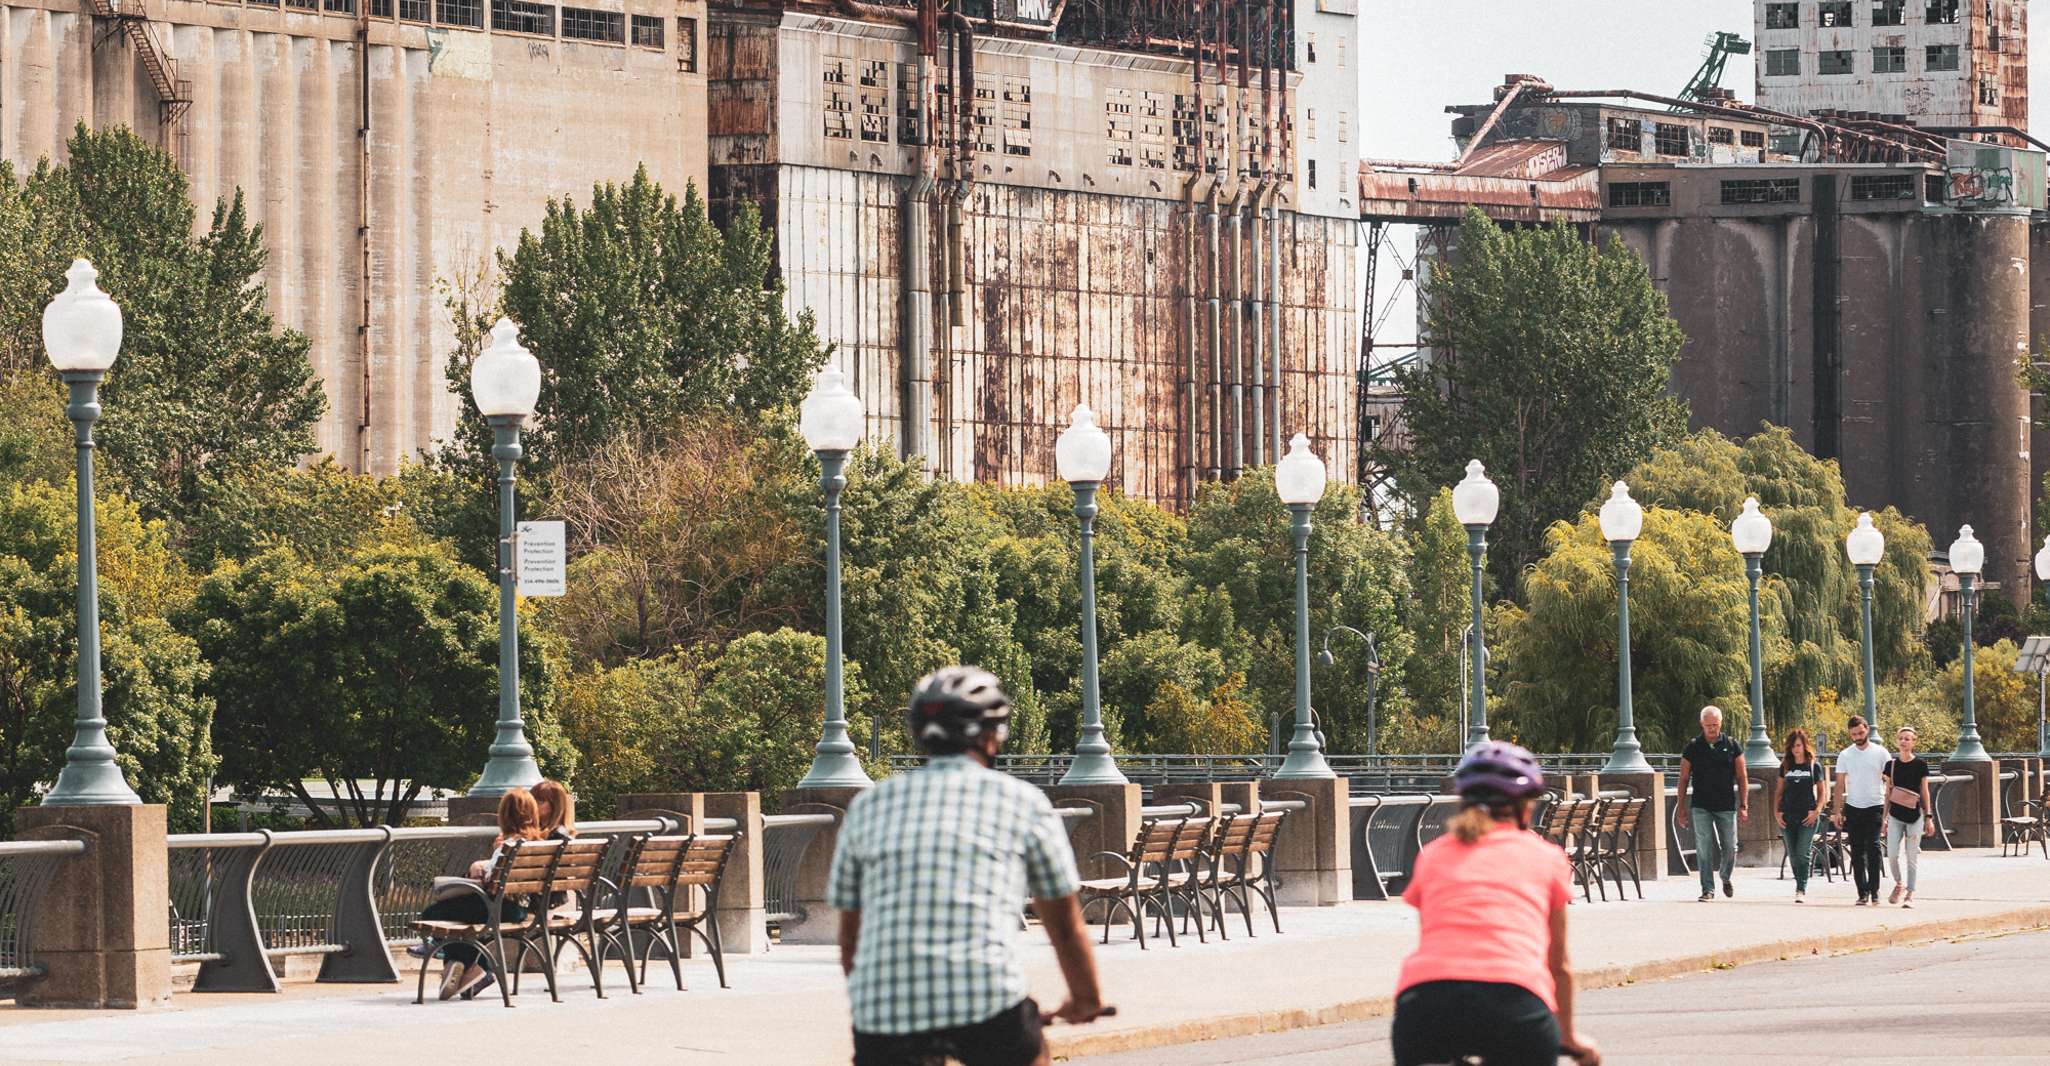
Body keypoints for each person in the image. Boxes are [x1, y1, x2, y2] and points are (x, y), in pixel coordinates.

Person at [829, 667, 1111, 1066]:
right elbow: (1064, 925)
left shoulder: (869, 806)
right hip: (986, 997)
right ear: (992, 735)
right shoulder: (1022, 802)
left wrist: (876, 1001)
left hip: (884, 1011)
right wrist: (1086, 999)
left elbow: (850, 940)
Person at [1391, 741, 1600, 1066]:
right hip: (1515, 1004)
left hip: (1424, 1006)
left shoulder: (1433, 855)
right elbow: (1558, 963)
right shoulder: (1545, 857)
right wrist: (1569, 1038)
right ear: (1524, 807)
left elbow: (1434, 939)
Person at [414, 787, 546, 1000]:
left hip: (497, 907)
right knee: (465, 924)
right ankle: (469, 969)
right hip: (521, 909)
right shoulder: (540, 844)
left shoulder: (509, 845)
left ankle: (455, 962)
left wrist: (480, 867)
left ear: (504, 815)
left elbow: (491, 878)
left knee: (434, 912)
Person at [1674, 705, 1748, 902]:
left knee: (1730, 846)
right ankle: (1708, 888)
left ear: (1720, 724)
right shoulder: (1693, 747)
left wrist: (1744, 805)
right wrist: (1681, 807)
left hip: (1726, 805)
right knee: (1704, 846)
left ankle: (1725, 876)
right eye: (1708, 725)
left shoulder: (1732, 745)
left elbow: (1742, 776)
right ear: (1702, 724)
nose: (1712, 729)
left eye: (1715, 725)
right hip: (1701, 805)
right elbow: (1683, 778)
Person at [1831, 715, 1892, 906]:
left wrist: (1887, 814)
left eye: (1860, 732)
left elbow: (1890, 783)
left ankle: (1875, 891)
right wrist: (1837, 811)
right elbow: (1839, 785)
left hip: (1875, 804)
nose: (1857, 736)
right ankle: (1862, 892)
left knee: (1874, 847)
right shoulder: (1845, 755)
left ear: (1867, 729)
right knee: (1857, 851)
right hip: (1854, 806)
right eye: (1854, 734)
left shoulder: (1881, 753)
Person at [1882, 726, 1935, 908]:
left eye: (1907, 739)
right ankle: (1899, 883)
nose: (1904, 742)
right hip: (1896, 814)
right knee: (1892, 854)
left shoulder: (1920, 765)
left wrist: (1928, 816)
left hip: (1915, 815)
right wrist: (1884, 817)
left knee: (1912, 856)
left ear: (1913, 742)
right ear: (1897, 741)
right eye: (1901, 738)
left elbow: (1925, 791)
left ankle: (1910, 893)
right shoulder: (1891, 765)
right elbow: (1887, 792)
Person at [1773, 728, 1828, 902]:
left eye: (1798, 745)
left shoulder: (1813, 765)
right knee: (1793, 854)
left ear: (1804, 746)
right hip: (1788, 815)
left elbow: (1822, 792)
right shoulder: (1785, 766)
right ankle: (1799, 881)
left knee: (1803, 852)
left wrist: (1817, 811)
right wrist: (1777, 812)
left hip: (1808, 815)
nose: (1795, 749)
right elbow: (1779, 792)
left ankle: (1801, 888)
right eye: (1792, 746)